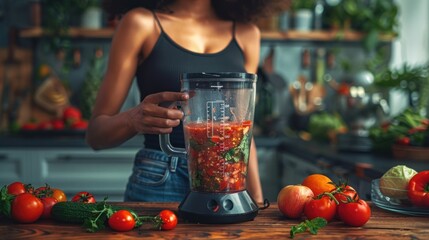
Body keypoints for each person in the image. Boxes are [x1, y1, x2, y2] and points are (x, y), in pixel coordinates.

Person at [86, 0, 283, 204]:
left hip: (228, 179)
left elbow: (243, 133)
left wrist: (256, 200)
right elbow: (96, 135)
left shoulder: (247, 34)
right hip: (161, 178)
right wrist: (132, 120)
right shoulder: (141, 23)